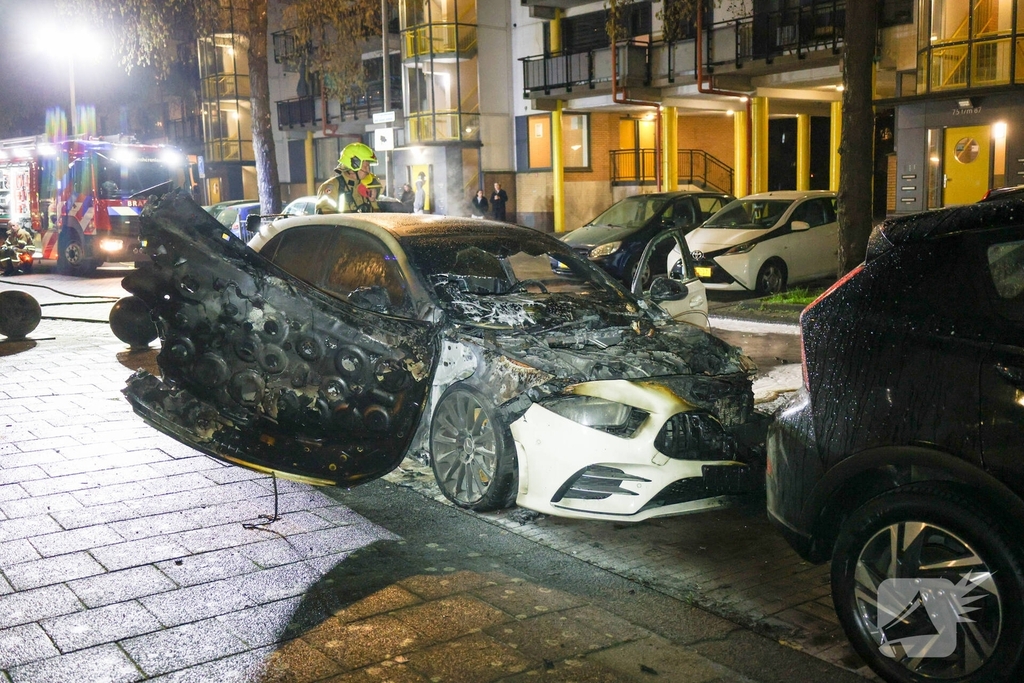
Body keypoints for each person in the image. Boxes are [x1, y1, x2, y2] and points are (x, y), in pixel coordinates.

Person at [316, 142, 381, 213]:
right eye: (365, 166)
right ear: (354, 164)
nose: (368, 171)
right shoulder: (333, 187)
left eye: (369, 167)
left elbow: (376, 217)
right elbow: (324, 216)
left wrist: (372, 201)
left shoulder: (365, 186)